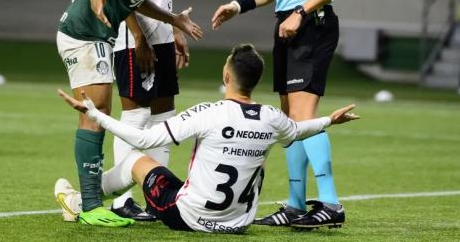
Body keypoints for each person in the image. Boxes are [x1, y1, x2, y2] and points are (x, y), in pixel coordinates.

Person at [56, 44, 359, 233]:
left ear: (227, 76)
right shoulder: (272, 117)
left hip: (188, 217)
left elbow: (143, 139)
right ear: (255, 81)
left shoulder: (208, 112)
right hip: (237, 224)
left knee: (136, 158)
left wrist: (96, 115)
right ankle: (83, 200)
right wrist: (329, 120)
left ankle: (79, 200)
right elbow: (299, 130)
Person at [211, 0, 346, 229]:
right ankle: (295, 204)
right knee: (289, 122)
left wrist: (301, 13)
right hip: (287, 26)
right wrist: (239, 5)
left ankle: (331, 204)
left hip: (312, 26)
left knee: (304, 116)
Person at [55, 0, 203, 227]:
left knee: (99, 111)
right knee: (95, 113)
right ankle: (91, 205)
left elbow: (136, 0)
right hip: (84, 33)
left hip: (97, 36)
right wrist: (96, 3)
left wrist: (173, 19)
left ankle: (85, 202)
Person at [102, 0, 189, 221]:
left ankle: (157, 196)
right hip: (131, 36)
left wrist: (173, 28)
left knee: (164, 115)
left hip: (162, 33)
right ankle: (120, 201)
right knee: (135, 118)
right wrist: (138, 36)